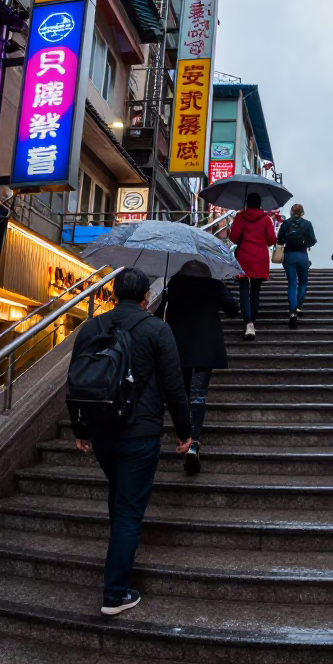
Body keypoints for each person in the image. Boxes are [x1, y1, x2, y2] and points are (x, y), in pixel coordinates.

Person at [70, 268, 193, 615]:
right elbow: (174, 385)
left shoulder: (92, 327)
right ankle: (115, 593)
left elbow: (76, 380)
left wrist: (80, 430)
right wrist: (185, 432)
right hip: (140, 433)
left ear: (112, 293)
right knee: (128, 512)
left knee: (118, 498)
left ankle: (117, 563)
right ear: (145, 297)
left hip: (102, 433)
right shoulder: (157, 328)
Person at [156, 260, 239, 476]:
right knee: (199, 394)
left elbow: (158, 314)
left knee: (182, 393)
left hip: (178, 347)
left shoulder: (174, 284)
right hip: (206, 347)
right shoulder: (214, 285)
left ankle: (184, 436)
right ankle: (193, 443)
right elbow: (233, 310)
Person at [228, 192, 277, 340]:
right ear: (260, 204)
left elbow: (233, 237)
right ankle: (252, 322)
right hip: (260, 258)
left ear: (247, 203)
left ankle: (248, 322)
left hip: (243, 257)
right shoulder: (266, 219)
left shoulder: (240, 217)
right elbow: (271, 240)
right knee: (255, 291)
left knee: (243, 290)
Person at [278, 204, 317, 328]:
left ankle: (292, 312)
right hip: (302, 255)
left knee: (292, 284)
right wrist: (306, 243)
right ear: (302, 213)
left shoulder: (285, 223)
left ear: (291, 212)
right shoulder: (307, 224)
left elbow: (279, 240)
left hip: (289, 255)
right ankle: (299, 307)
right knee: (303, 282)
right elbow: (313, 240)